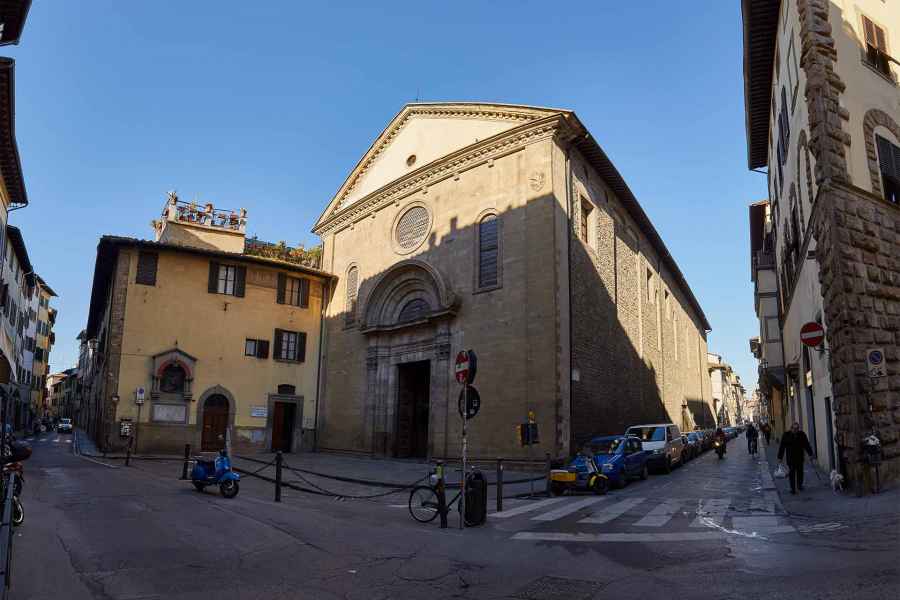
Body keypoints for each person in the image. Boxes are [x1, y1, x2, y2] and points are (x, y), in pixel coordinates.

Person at [778, 422, 814, 494]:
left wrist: (810, 454)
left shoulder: (802, 434)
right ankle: (793, 489)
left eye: (797, 428)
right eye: (794, 429)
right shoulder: (786, 435)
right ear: (791, 428)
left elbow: (806, 444)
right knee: (791, 473)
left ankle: (799, 485)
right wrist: (780, 457)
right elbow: (782, 446)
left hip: (800, 457)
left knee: (800, 472)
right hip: (790, 458)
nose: (796, 430)